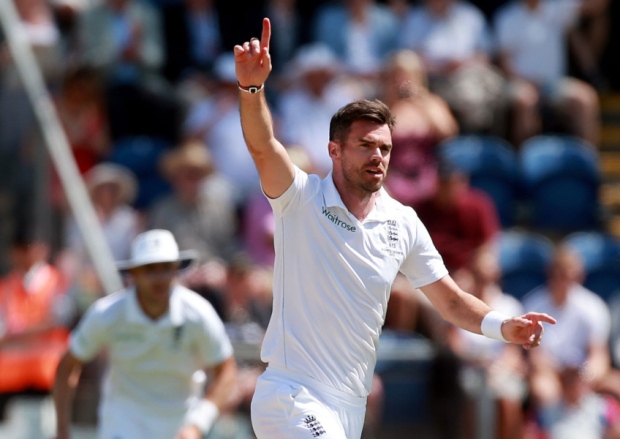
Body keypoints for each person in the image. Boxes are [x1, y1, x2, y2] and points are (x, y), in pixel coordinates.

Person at [234, 18, 556, 439]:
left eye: (384, 147)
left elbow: (452, 302)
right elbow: (262, 146)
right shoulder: (300, 198)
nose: (378, 156)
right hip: (292, 395)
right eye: (365, 145)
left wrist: (504, 326)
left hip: (350, 405)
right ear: (334, 151)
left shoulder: (403, 221)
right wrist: (252, 89)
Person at [52, 229, 237, 439]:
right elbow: (67, 366)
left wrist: (198, 424)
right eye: (150, 269)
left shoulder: (198, 313)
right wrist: (61, 429)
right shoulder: (107, 314)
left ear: (177, 270)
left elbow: (226, 371)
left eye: (166, 268)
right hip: (123, 424)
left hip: (180, 427)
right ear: (134, 274)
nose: (159, 278)